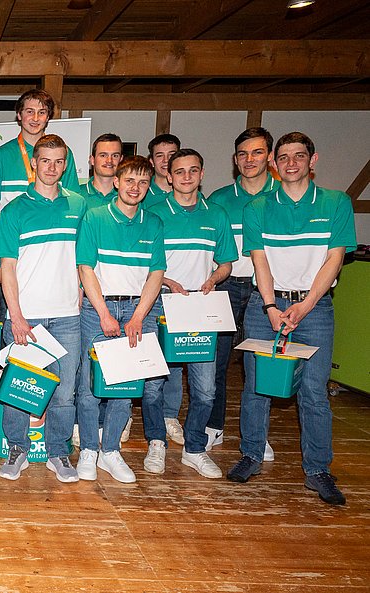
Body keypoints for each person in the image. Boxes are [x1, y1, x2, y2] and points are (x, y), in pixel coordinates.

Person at [227, 132, 355, 507]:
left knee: (314, 392)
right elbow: (260, 261)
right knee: (257, 386)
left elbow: (334, 259)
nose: (291, 163)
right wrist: (270, 306)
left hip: (315, 309)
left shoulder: (336, 203)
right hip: (264, 306)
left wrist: (306, 304)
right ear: (274, 164)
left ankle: (317, 470)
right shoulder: (258, 208)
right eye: (283, 157)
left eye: (299, 156)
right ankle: (251, 455)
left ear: (312, 161)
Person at [0, 135, 86, 482]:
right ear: (34, 163)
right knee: (21, 389)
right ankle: (17, 448)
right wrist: (16, 315)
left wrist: (80, 289)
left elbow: (84, 258)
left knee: (64, 391)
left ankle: (58, 453)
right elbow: (7, 268)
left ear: (66, 165)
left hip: (67, 316)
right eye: (45, 160)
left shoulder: (78, 205)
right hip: (26, 316)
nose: (52, 167)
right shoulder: (14, 209)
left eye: (59, 161)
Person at [145, 149, 237, 479]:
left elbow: (226, 263)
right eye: (179, 171)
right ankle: (156, 442)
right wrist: (166, 281)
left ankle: (194, 448)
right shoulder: (153, 213)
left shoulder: (217, 214)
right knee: (153, 385)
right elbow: (143, 262)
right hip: (161, 305)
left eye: (193, 170)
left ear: (202, 174)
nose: (186, 177)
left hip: (201, 308)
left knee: (206, 389)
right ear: (169, 176)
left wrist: (214, 278)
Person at [75, 156, 165, 484]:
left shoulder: (153, 223)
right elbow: (85, 268)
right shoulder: (95, 217)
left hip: (138, 311)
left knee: (125, 386)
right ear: (116, 182)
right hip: (98, 310)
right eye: (129, 180)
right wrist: (104, 313)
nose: (135, 188)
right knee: (91, 385)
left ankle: (110, 451)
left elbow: (156, 273)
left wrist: (139, 316)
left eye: (143, 182)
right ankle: (89, 449)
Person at [206, 128, 280, 454]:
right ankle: (214, 427)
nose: (249, 159)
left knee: (259, 366)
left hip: (265, 292)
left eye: (257, 152)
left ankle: (256, 436)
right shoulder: (219, 199)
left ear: (270, 157)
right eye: (243, 154)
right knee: (216, 363)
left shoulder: (282, 197)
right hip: (224, 288)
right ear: (235, 160)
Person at [0, 89, 80, 218]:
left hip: (52, 228)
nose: (35, 118)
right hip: (12, 229)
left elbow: (71, 200)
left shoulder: (63, 152)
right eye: (30, 111)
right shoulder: (2, 154)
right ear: (19, 115)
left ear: (48, 117)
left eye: (42, 112)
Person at [81, 134, 123, 210]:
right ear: (92, 160)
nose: (109, 161)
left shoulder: (129, 196)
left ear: (121, 160)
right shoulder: (76, 195)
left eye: (115, 156)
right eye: (103, 155)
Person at [144, 133, 180, 209]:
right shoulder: (141, 192)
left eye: (171, 155)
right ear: (152, 162)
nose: (166, 160)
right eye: (160, 156)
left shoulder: (190, 192)